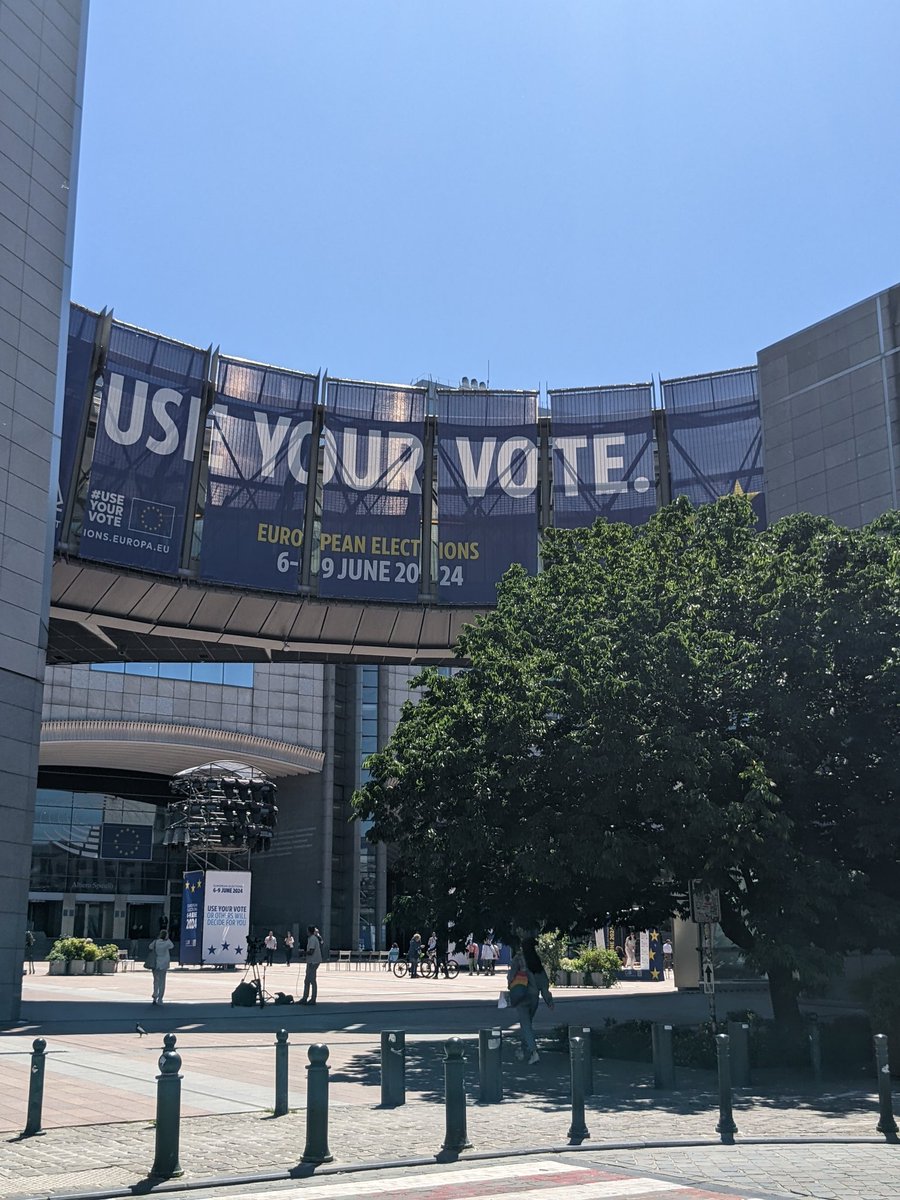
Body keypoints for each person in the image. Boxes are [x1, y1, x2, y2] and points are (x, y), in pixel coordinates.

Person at [507, 935, 554, 1064]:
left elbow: (511, 976)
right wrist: (549, 1001)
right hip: (534, 998)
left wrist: (511, 985)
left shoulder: (518, 959)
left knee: (525, 1025)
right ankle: (522, 1049)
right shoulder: (536, 962)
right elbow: (544, 983)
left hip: (521, 995)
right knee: (527, 1024)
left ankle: (533, 1052)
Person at [147, 927, 175, 1005]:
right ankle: (160, 998)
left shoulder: (155, 942)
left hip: (155, 963)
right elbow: (172, 946)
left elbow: (150, 947)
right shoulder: (167, 943)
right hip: (164, 964)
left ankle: (154, 996)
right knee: (162, 982)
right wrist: (168, 939)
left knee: (156, 980)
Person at [301, 924, 322, 1004]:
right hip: (311, 961)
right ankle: (305, 997)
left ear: (309, 931)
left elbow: (311, 951)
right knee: (307, 980)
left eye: (307, 930)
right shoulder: (311, 938)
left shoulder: (313, 939)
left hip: (314, 962)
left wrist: (303, 953)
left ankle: (313, 999)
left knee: (312, 980)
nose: (306, 932)